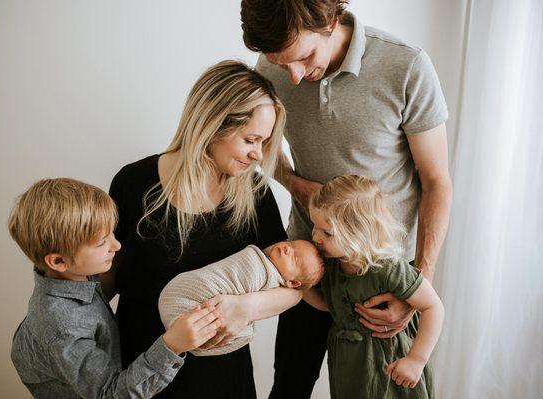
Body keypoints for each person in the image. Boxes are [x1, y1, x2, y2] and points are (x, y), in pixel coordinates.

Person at [240, 1, 453, 396]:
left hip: (383, 271)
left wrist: (417, 282)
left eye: (305, 57)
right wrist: (296, 185)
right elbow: (262, 145)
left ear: (332, 21)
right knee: (290, 384)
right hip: (307, 259)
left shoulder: (406, 66)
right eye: (281, 63)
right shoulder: (272, 66)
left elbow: (436, 181)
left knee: (379, 388)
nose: (295, 75)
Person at [101, 60, 302, 398]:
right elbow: (103, 281)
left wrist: (246, 308)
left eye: (264, 143)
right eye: (251, 139)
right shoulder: (133, 183)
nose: (258, 155)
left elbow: (295, 288)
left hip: (221, 378)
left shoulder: (255, 194)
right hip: (142, 372)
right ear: (213, 124)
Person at [8, 178, 222, 399]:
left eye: (112, 233)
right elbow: (111, 395)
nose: (116, 245)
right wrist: (172, 346)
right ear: (59, 261)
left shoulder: (68, 275)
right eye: (102, 243)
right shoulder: (64, 325)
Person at [305, 175, 444, 398]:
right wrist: (302, 289)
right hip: (351, 365)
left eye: (327, 232)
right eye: (315, 225)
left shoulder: (387, 269)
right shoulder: (332, 265)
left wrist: (416, 360)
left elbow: (433, 307)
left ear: (358, 233)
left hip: (390, 366)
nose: (315, 237)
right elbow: (330, 305)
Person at [159, 240, 324, 356]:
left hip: (185, 333)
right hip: (180, 295)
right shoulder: (256, 261)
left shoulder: (273, 284)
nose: (288, 249)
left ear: (293, 282)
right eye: (292, 244)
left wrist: (246, 307)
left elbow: (296, 295)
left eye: (294, 259)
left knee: (246, 334)